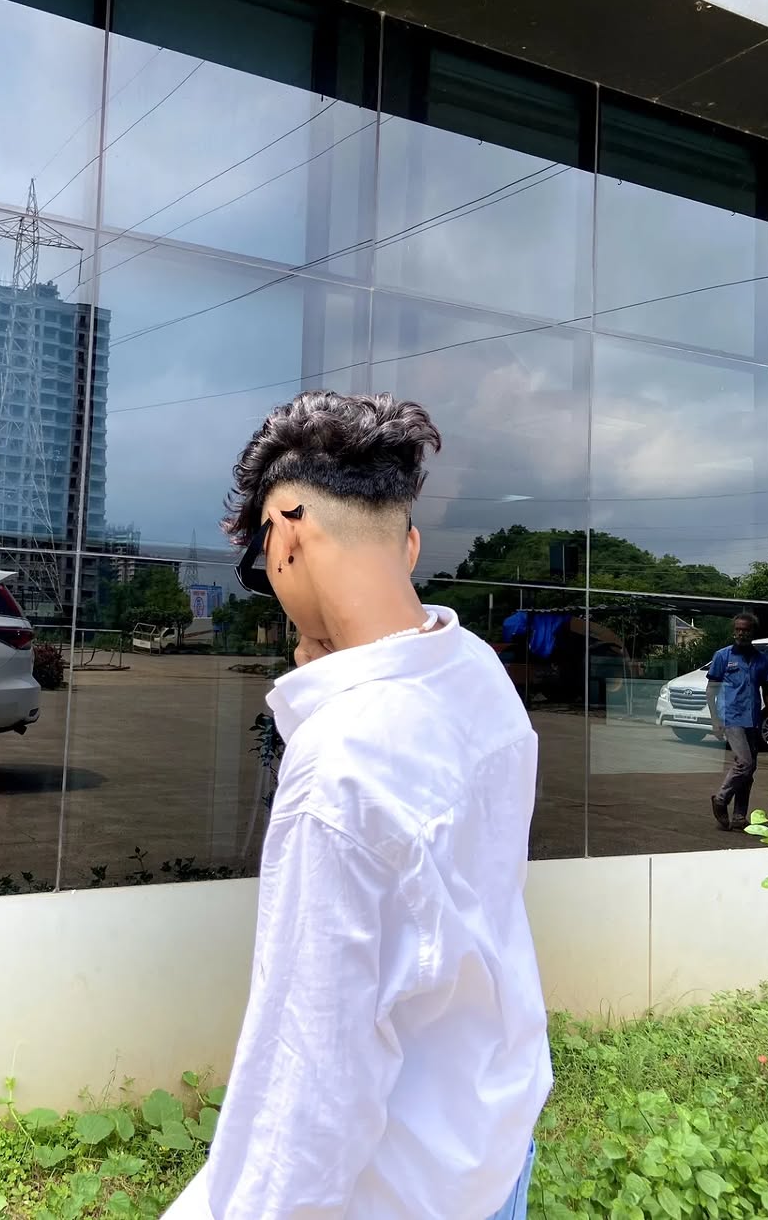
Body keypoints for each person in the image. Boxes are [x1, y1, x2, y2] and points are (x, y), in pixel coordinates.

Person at [166, 392, 550, 1220]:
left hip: (397, 1193)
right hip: (492, 1148)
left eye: (260, 562)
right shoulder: (479, 671)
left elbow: (310, 1092)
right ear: (408, 543)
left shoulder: (340, 767)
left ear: (286, 537)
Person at [708, 612, 768, 833]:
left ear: (752, 632)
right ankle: (720, 799)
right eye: (738, 629)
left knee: (749, 770)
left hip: (752, 719)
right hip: (731, 716)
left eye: (745, 630)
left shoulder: (762, 659)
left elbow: (767, 691)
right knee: (744, 763)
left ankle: (739, 817)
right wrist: (715, 719)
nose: (741, 633)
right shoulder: (722, 656)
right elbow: (711, 690)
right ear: (733, 631)